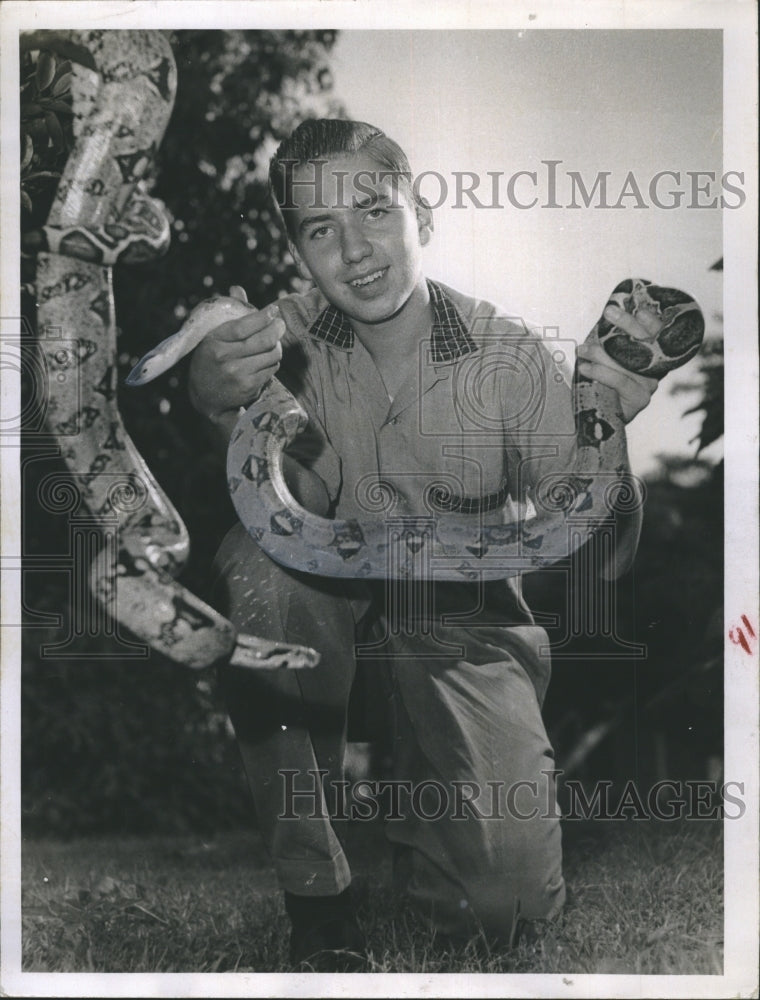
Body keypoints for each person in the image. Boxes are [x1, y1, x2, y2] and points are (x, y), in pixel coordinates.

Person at [187, 119, 659, 969]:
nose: (355, 250)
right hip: (326, 631)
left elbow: (599, 556)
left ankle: (434, 815)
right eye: (320, 229)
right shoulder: (277, 346)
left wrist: (608, 430)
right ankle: (318, 898)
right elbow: (270, 505)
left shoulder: (508, 357)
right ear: (298, 250)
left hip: (463, 635)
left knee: (505, 912)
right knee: (259, 570)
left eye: (374, 210)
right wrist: (214, 398)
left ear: (424, 213)